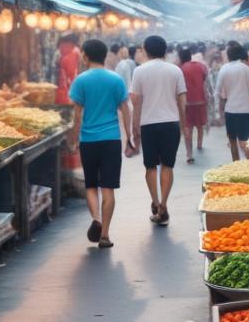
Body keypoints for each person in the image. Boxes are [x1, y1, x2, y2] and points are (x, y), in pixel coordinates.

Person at [68, 39, 135, 249]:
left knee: (91, 185)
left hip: (89, 140)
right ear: (105, 55)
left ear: (86, 56)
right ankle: (105, 235)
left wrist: (73, 138)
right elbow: (126, 109)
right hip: (111, 139)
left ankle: (96, 217)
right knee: (108, 189)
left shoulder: (81, 80)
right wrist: (129, 137)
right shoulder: (116, 80)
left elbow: (77, 115)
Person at [131, 35, 187, 225]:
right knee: (167, 165)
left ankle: (155, 202)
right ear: (165, 49)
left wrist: (135, 127)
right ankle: (164, 203)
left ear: (146, 50)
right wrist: (184, 124)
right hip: (171, 123)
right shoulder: (175, 70)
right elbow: (182, 100)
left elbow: (136, 102)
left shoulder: (139, 71)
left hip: (149, 124)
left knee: (150, 166)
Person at [217, 43, 249, 161]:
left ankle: (236, 165)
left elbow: (218, 92)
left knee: (232, 142)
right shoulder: (248, 70)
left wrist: (218, 112)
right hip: (246, 111)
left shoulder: (224, 69)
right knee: (246, 142)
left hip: (230, 110)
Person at [179, 45, 209, 160]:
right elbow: (205, 81)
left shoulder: (180, 69)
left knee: (188, 126)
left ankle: (189, 154)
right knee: (200, 125)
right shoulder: (200, 66)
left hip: (186, 102)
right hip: (200, 100)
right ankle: (199, 144)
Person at [56, 35, 81, 105]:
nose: (59, 48)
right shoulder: (74, 52)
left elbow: (71, 76)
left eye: (61, 46)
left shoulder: (68, 57)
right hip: (67, 89)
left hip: (66, 92)